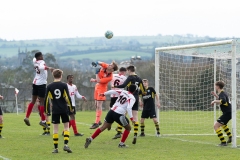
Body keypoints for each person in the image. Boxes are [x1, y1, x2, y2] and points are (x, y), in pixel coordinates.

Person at [84, 85, 137, 149]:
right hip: (119, 114)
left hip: (111, 111)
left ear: (128, 88)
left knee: (103, 127)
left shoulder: (122, 91)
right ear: (134, 91)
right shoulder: (132, 97)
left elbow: (113, 91)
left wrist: (104, 94)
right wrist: (132, 118)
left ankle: (90, 138)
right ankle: (121, 144)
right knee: (128, 128)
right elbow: (129, 108)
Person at [112, 65, 146, 144]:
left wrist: (115, 86)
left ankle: (119, 131)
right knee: (135, 117)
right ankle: (135, 134)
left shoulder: (130, 78)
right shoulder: (139, 79)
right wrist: (138, 94)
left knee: (123, 114)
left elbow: (123, 86)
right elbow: (143, 91)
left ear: (129, 70)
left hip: (129, 97)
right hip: (136, 98)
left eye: (127, 71)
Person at [44, 69, 73, 153]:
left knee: (55, 129)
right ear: (61, 76)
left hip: (55, 109)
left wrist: (46, 110)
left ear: (53, 76)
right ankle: (66, 145)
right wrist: (71, 107)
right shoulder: (64, 85)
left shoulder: (49, 86)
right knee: (66, 127)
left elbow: (46, 99)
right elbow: (67, 97)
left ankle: (56, 148)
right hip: (64, 108)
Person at [24, 52, 54, 128]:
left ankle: (27, 117)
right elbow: (41, 68)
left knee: (33, 101)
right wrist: (48, 68)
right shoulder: (42, 62)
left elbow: (34, 59)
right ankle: (43, 121)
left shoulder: (35, 61)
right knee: (42, 102)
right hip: (41, 84)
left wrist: (45, 66)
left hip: (35, 83)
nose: (43, 56)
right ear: (39, 57)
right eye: (42, 55)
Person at [89, 61, 118, 129]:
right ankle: (98, 121)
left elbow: (99, 80)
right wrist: (96, 63)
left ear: (112, 70)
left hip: (102, 89)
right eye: (110, 64)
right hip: (97, 87)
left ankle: (96, 122)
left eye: (111, 65)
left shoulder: (110, 77)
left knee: (99, 105)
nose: (109, 65)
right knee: (96, 105)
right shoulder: (106, 66)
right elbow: (99, 62)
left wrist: (96, 73)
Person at [211, 81, 232, 146]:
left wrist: (214, 101)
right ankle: (231, 137)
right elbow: (222, 100)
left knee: (216, 126)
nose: (215, 87)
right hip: (228, 112)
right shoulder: (222, 93)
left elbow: (223, 101)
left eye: (215, 85)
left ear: (218, 86)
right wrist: (216, 96)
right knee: (223, 124)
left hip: (227, 113)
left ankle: (223, 142)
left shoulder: (222, 94)